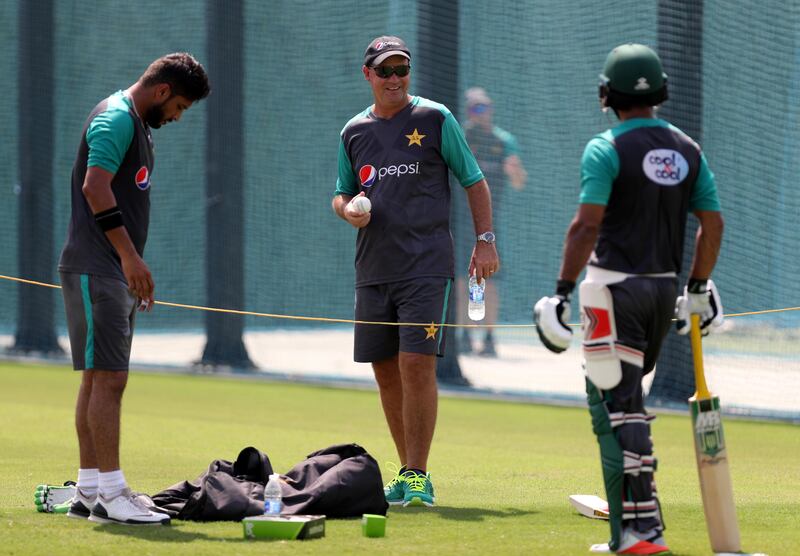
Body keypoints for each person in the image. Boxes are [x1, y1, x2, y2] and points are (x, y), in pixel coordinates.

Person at [534, 44, 724, 554]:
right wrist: (698, 286)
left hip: (610, 292)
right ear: (660, 93)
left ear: (606, 94)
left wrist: (560, 293)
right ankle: (634, 530)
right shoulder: (688, 149)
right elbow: (712, 224)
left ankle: (640, 534)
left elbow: (586, 225)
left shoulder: (605, 148)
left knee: (617, 411)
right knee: (625, 402)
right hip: (662, 292)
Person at [332, 36, 499, 507]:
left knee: (415, 364)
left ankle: (418, 475)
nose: (394, 78)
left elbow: (474, 180)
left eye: (402, 68)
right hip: (373, 268)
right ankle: (406, 474)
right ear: (368, 75)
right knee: (385, 370)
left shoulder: (434, 118)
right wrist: (348, 212)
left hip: (425, 266)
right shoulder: (353, 132)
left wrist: (485, 241)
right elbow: (341, 193)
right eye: (385, 70)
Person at [58, 53, 210, 525]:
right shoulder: (116, 119)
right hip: (97, 268)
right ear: (162, 91)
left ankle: (88, 489)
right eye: (180, 106)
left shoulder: (136, 125)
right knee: (110, 379)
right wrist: (129, 257)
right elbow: (95, 187)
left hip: (108, 271)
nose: (178, 117)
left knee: (98, 378)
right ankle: (112, 492)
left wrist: (129, 266)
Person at [459, 87, 527, 356]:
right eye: (475, 108)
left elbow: (519, 182)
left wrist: (515, 171)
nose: (481, 113)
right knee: (463, 280)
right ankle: (463, 335)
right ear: (468, 112)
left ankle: (488, 338)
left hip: (489, 224)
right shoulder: (461, 137)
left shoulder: (503, 141)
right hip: (460, 221)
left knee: (488, 279)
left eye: (484, 107)